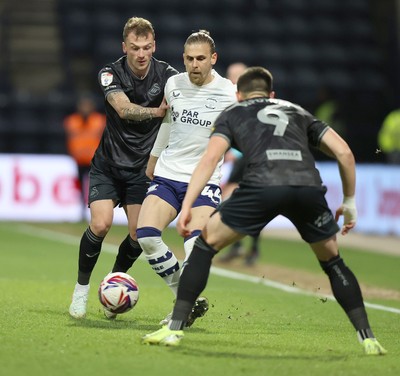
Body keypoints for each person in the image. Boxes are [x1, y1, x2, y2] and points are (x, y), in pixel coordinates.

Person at [141, 67, 387, 356]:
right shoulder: (297, 111)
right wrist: (349, 201)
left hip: (262, 185)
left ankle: (174, 330)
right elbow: (344, 152)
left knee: (205, 246)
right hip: (305, 186)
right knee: (333, 263)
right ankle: (368, 338)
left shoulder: (233, 113)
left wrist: (187, 205)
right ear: (272, 95)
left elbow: (210, 159)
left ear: (238, 95)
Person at [69, 17, 179, 319]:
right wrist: (158, 111)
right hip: (108, 164)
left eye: (146, 47)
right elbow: (122, 108)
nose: (141, 54)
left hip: (143, 170)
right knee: (101, 224)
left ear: (153, 46)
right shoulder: (110, 72)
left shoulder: (169, 76)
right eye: (135, 48)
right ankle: (80, 290)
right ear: (124, 47)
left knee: (137, 235)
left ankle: (114, 283)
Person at [136, 30, 237, 325]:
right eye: (189, 59)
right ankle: (187, 298)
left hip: (204, 180)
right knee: (147, 237)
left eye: (201, 59)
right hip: (168, 174)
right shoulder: (173, 84)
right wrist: (154, 158)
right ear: (183, 59)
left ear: (213, 59)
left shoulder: (228, 92)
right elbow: (169, 121)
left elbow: (242, 130)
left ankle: (180, 313)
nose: (194, 64)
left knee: (195, 246)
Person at [220, 62, 260, 265]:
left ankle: (251, 249)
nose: (232, 78)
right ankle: (238, 247)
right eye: (230, 74)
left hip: (251, 156)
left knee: (248, 200)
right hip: (241, 156)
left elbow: (253, 130)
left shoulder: (250, 100)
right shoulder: (229, 98)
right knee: (230, 199)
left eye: (236, 74)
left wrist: (234, 152)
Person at [63, 93, 106, 220]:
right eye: (83, 106)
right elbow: (69, 139)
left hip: (95, 160)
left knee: (96, 186)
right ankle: (82, 210)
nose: (85, 108)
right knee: (81, 186)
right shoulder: (72, 121)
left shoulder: (99, 120)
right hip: (79, 159)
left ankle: (97, 212)